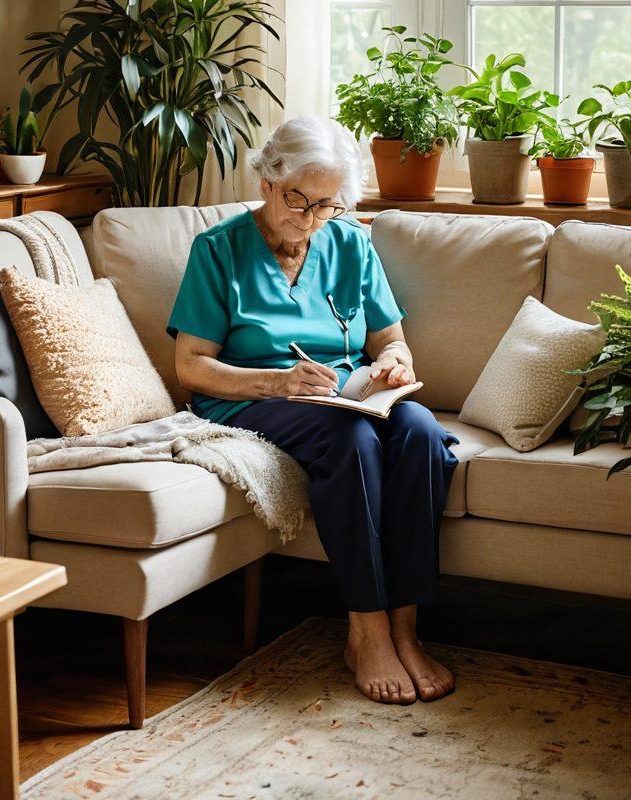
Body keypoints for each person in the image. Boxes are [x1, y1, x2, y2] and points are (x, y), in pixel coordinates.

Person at [167, 115, 459, 705]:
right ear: (269, 181)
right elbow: (191, 366)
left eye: (327, 205)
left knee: (421, 432)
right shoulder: (218, 250)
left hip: (344, 397)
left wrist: (393, 366)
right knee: (349, 440)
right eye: (300, 199)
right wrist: (278, 383)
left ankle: (406, 627)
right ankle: (367, 630)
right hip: (251, 399)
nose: (311, 218)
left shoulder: (350, 242)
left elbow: (390, 338)